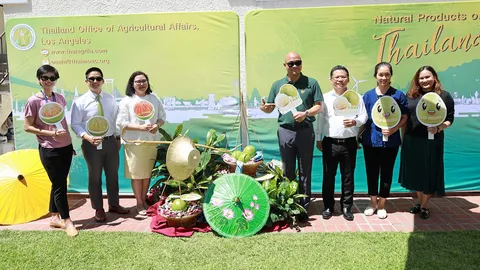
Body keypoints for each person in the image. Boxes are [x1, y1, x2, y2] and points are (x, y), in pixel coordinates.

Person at [260, 52, 323, 222]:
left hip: (305, 130)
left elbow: (319, 106)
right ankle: (288, 205)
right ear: (285, 65)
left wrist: (306, 113)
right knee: (288, 169)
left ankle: (303, 206)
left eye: (298, 63)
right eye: (291, 63)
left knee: (305, 170)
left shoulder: (311, 83)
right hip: (285, 131)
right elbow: (270, 107)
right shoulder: (277, 85)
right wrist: (264, 108)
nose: (295, 66)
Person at [24, 65, 78, 237]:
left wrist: (69, 144)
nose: (48, 81)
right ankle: (67, 220)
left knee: (57, 183)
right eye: (44, 78)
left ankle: (54, 218)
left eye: (52, 78)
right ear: (39, 79)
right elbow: (27, 127)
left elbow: (61, 123)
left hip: (66, 146)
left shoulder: (60, 98)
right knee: (60, 184)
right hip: (49, 148)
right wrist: (51, 133)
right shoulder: (33, 101)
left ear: (55, 80)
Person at [71, 67, 129, 222]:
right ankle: (98, 208)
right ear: (86, 81)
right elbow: (75, 124)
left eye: (98, 79)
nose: (95, 81)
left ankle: (114, 204)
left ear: (103, 81)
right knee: (95, 177)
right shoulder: (79, 102)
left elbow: (116, 120)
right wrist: (87, 137)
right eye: (91, 79)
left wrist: (117, 138)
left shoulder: (110, 99)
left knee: (112, 175)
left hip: (110, 142)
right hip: (91, 144)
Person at [399, 66, 454, 219]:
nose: (424, 81)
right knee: (416, 172)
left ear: (434, 77)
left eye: (427, 77)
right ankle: (420, 201)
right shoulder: (410, 96)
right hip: (412, 140)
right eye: (421, 78)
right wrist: (404, 141)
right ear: (417, 80)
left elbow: (450, 119)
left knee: (430, 172)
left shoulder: (444, 96)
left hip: (433, 141)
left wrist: (439, 128)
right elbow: (405, 121)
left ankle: (423, 206)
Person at [316, 65, 368, 221]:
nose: (340, 79)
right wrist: (319, 138)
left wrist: (355, 121)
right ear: (331, 80)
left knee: (348, 176)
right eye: (337, 77)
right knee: (328, 176)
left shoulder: (356, 97)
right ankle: (328, 206)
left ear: (348, 78)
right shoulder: (324, 98)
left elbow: (364, 117)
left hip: (349, 143)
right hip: (330, 142)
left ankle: (346, 207)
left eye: (343, 76)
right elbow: (320, 120)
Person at [361, 62, 408, 219]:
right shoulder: (367, 96)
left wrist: (395, 129)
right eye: (380, 74)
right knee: (372, 172)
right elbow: (363, 118)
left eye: (387, 74)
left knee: (387, 173)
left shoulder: (398, 95)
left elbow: (404, 116)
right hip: (371, 141)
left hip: (391, 142)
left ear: (390, 76)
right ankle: (372, 203)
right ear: (375, 76)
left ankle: (382, 205)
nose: (384, 77)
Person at [116, 71, 166, 218]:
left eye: (144, 81)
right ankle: (138, 203)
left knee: (146, 174)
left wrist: (157, 125)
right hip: (134, 143)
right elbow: (121, 123)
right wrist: (140, 128)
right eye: (138, 81)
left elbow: (162, 117)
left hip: (151, 142)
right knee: (137, 175)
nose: (141, 84)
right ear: (132, 83)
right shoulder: (126, 101)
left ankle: (144, 200)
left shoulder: (154, 99)